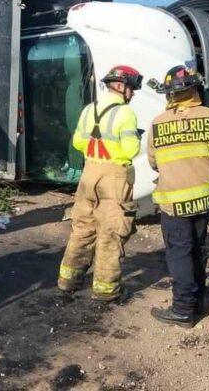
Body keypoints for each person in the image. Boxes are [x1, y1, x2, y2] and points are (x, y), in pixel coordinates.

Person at [148, 64, 209, 327]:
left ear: (170, 94)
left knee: (179, 253)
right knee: (197, 249)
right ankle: (197, 302)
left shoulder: (158, 123)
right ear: (196, 89)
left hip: (172, 202)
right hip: (203, 198)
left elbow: (154, 162)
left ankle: (183, 309)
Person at [57, 65, 143, 303]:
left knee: (82, 229)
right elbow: (130, 149)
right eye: (132, 89)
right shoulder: (126, 114)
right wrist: (132, 138)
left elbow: (77, 143)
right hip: (113, 176)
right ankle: (106, 290)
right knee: (111, 232)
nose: (133, 94)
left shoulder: (89, 109)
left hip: (89, 173)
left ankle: (68, 281)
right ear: (121, 86)